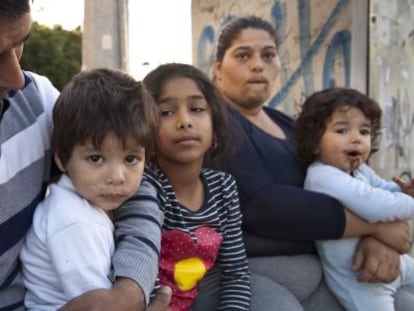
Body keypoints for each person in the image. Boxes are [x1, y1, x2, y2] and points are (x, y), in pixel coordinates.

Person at [207, 15, 414, 310]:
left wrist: (376, 241)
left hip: (331, 270)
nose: (257, 65)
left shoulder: (290, 126)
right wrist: (375, 228)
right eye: (243, 55)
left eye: (268, 55)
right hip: (256, 273)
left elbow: (349, 184)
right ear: (218, 69)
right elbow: (263, 206)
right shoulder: (218, 126)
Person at [0, 1, 170, 310]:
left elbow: (133, 181)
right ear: (62, 160)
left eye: (19, 44)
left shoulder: (37, 102)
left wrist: (132, 287)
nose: (16, 79)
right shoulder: (74, 221)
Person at [19, 68, 158, 309]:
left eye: (130, 159)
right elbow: (103, 306)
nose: (117, 177)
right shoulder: (75, 221)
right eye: (95, 159)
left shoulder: (87, 201)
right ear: (61, 159)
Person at [142, 63, 251, 311]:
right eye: (167, 112)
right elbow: (140, 276)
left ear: (215, 130)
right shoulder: (147, 188)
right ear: (145, 128)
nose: (184, 121)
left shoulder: (223, 187)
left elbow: (236, 274)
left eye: (197, 109)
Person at [295, 87, 414, 310]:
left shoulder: (359, 171)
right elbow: (375, 206)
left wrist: (404, 191)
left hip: (395, 263)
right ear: (313, 141)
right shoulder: (323, 176)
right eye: (341, 131)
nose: (356, 139)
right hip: (361, 279)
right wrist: (410, 203)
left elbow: (383, 188)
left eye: (364, 132)